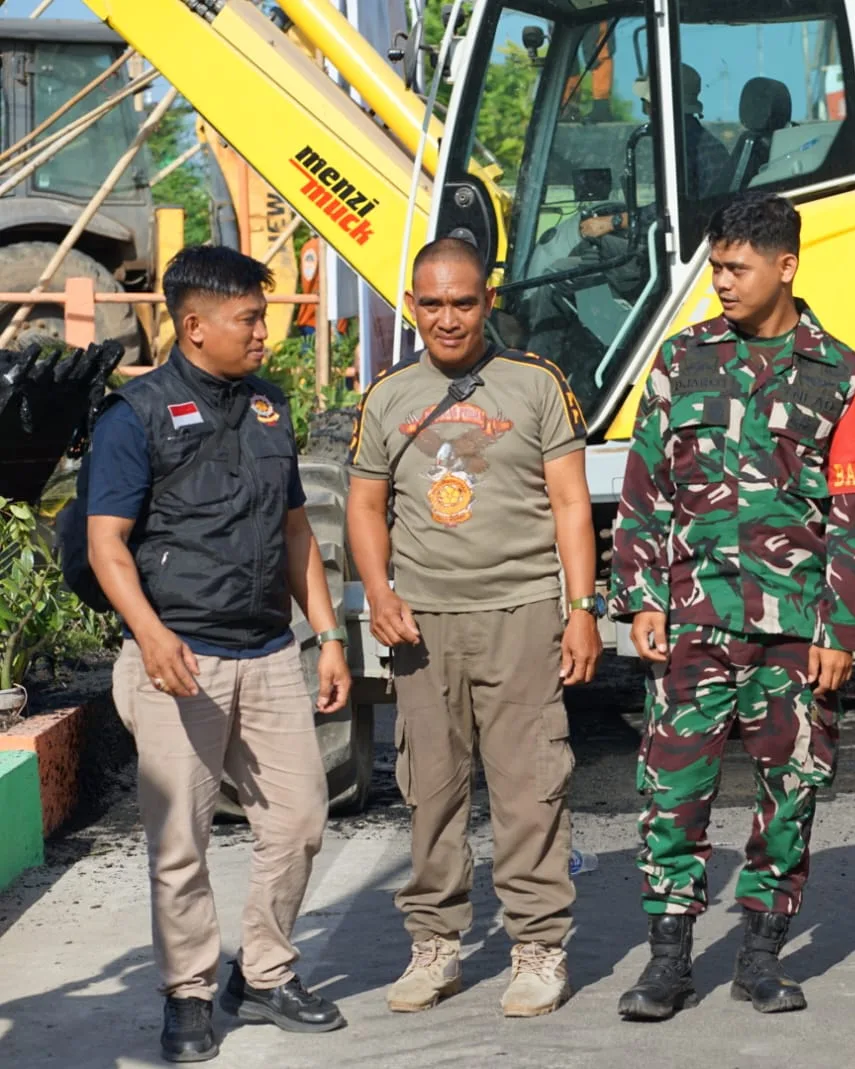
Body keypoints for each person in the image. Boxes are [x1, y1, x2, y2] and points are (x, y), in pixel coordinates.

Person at [609, 193, 855, 1021]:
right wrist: (642, 594)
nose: (720, 281)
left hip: (796, 633)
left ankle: (761, 955)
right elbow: (644, 487)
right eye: (715, 266)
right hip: (693, 621)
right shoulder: (682, 358)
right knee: (672, 794)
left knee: (790, 791)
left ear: (785, 266)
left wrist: (841, 627)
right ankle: (668, 960)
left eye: (736, 267)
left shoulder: (841, 371)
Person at [86, 245, 351, 1062]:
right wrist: (152, 634)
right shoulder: (136, 416)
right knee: (181, 841)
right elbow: (106, 544)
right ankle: (190, 992)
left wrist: (330, 633)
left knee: (301, 820)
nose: (264, 333)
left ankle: (265, 973)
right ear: (194, 326)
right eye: (249, 319)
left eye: (263, 317)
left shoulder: (270, 406)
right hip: (180, 661)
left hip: (270, 650)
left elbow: (296, 530)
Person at [346, 237, 601, 1018]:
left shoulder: (534, 385)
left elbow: (570, 504)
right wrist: (378, 594)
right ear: (414, 306)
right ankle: (436, 946)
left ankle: (537, 947)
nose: (448, 318)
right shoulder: (388, 395)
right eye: (432, 304)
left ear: (488, 301)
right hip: (422, 623)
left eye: (463, 302)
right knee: (431, 789)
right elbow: (363, 505)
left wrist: (581, 607)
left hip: (520, 612)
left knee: (529, 787)